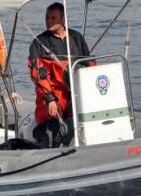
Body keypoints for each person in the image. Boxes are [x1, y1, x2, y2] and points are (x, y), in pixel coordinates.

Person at [28, 2, 91, 148]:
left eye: (53, 18)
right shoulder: (39, 43)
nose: (48, 21)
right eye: (47, 18)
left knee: (79, 124)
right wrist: (50, 98)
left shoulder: (77, 38)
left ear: (63, 19)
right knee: (50, 129)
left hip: (75, 92)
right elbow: (39, 75)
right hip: (53, 93)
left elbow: (89, 64)